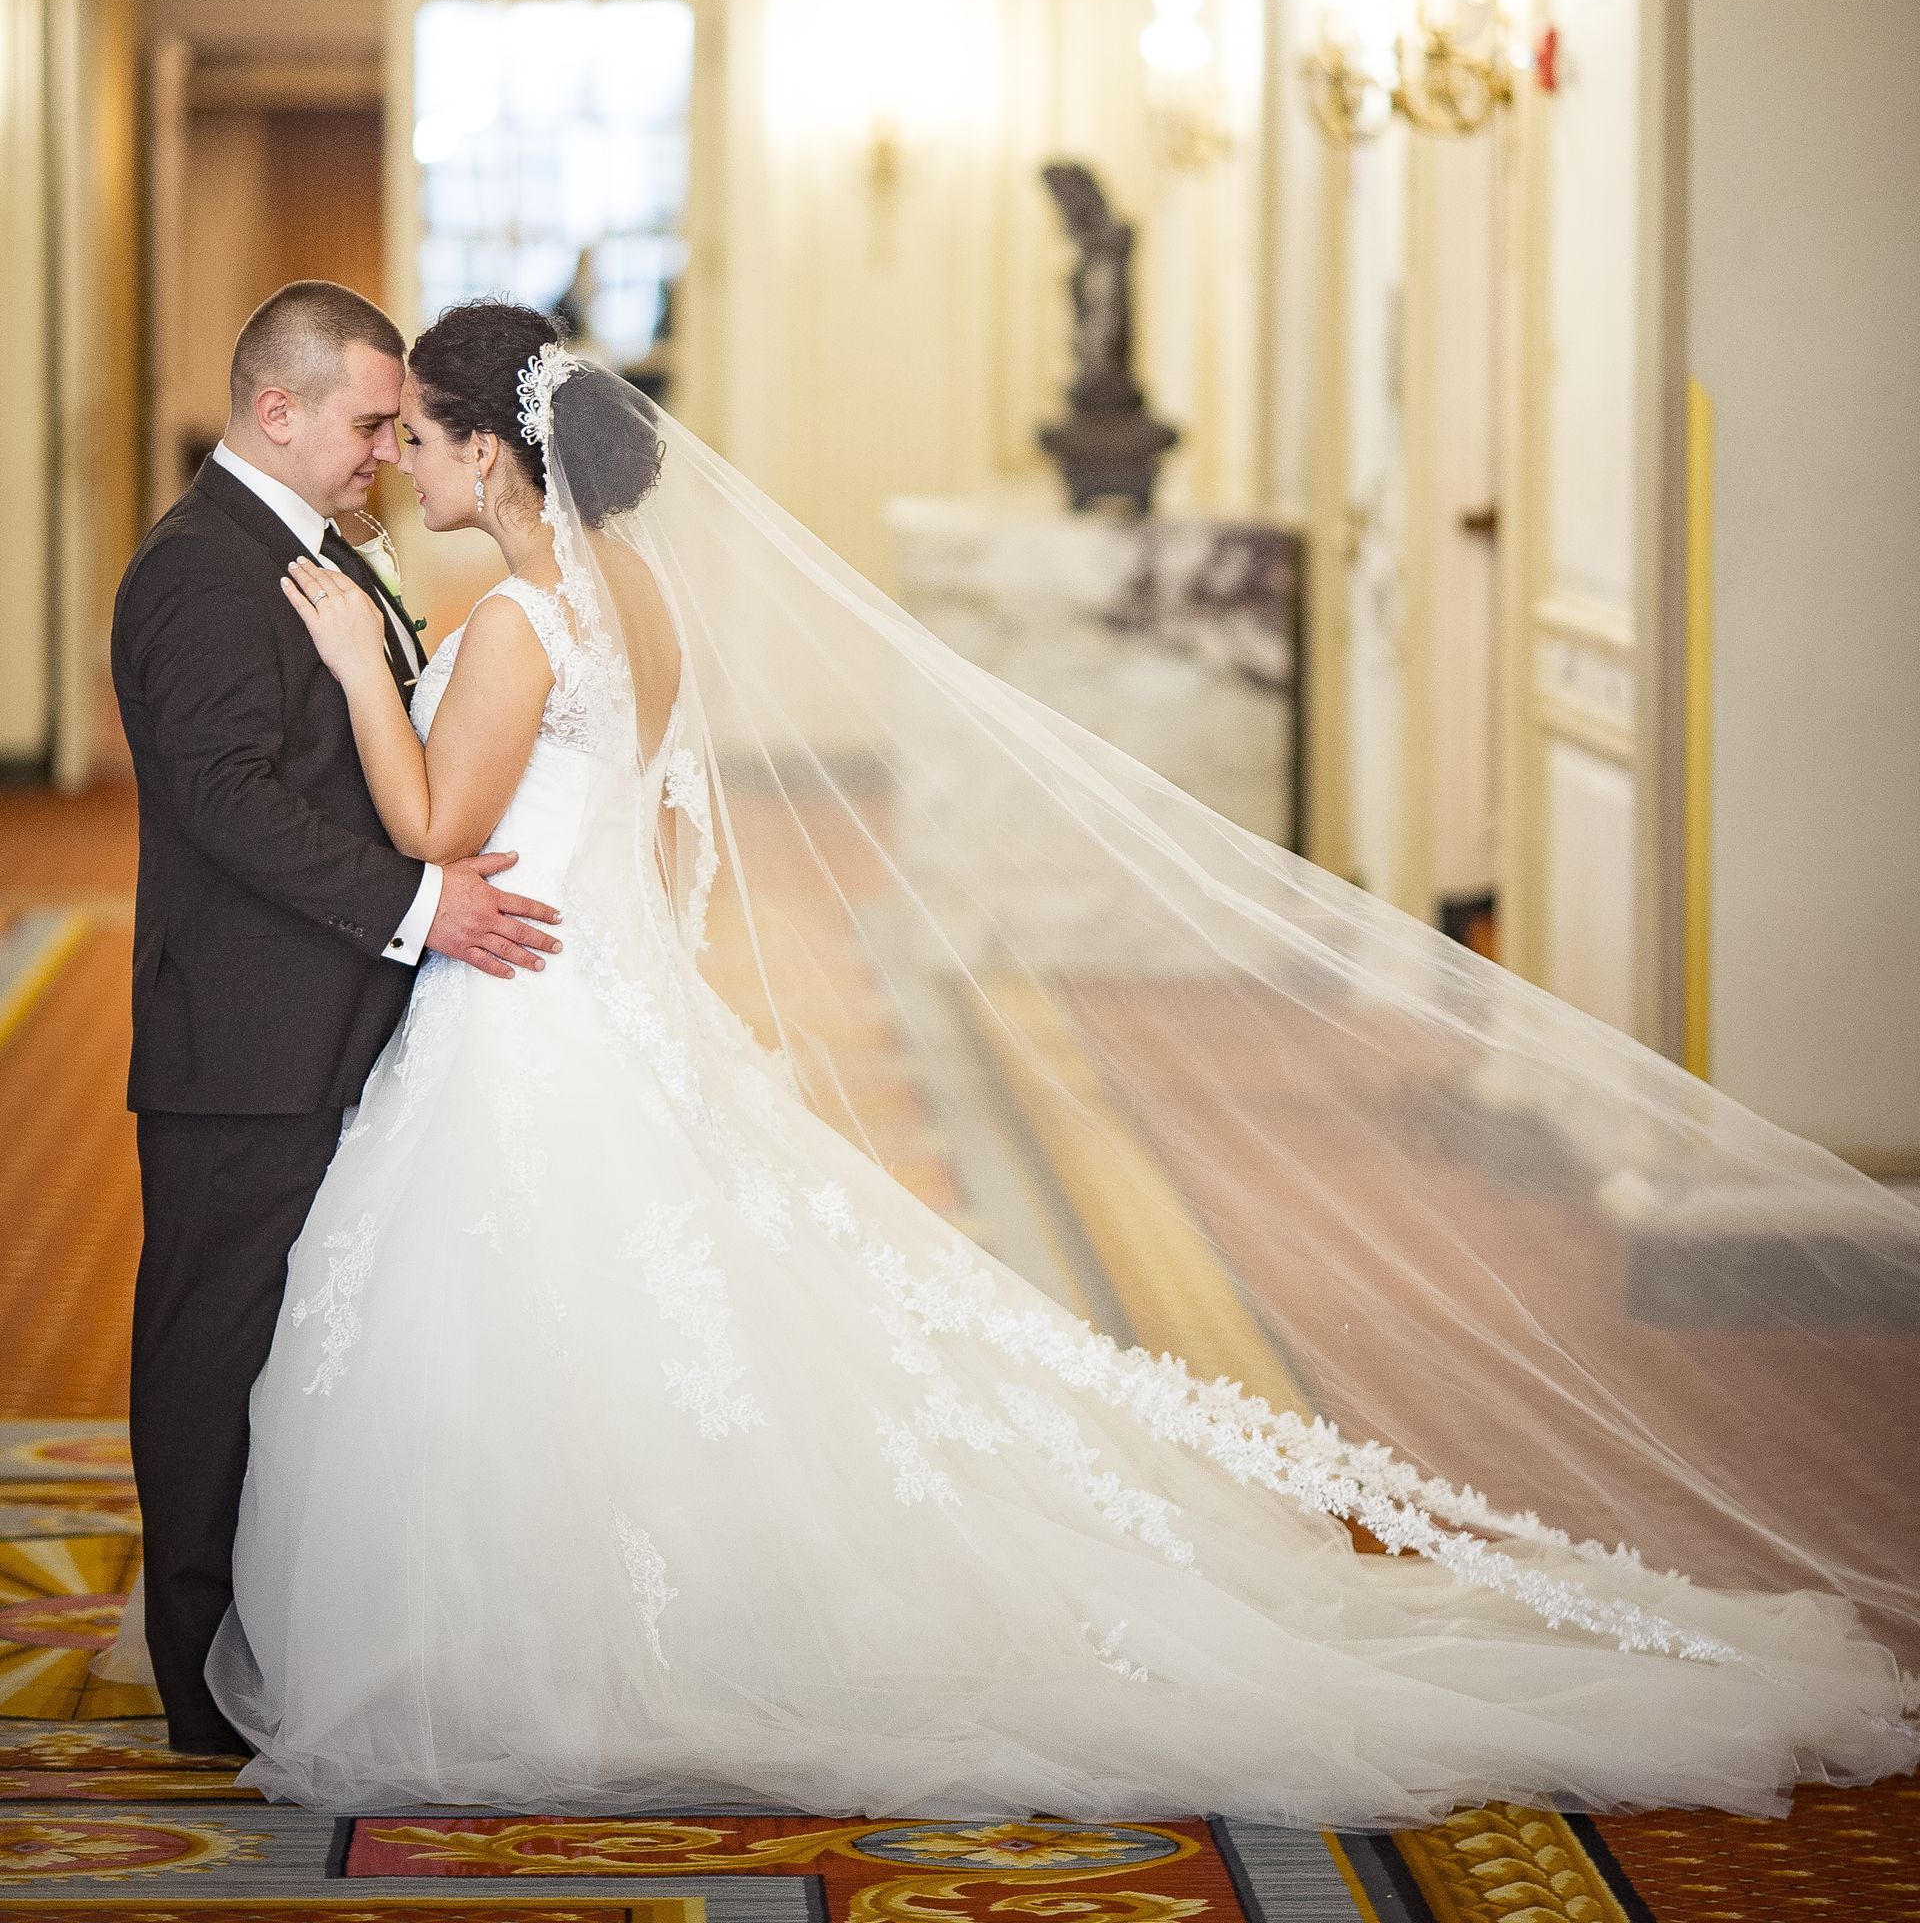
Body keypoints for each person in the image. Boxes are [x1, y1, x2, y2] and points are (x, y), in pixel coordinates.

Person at [203, 295, 1919, 1822]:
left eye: (413, 435)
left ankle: (574, 1642)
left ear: (492, 453)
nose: (393, 467)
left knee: (554, 1337)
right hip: (600, 988)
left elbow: (435, 820)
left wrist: (364, 666)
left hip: (535, 1014)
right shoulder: (633, 596)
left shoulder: (513, 625)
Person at [110, 282, 562, 1754]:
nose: (384, 451)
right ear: (277, 409)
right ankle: (200, 1688)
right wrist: (427, 910)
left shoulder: (325, 556)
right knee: (210, 1348)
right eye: (370, 422)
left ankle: (281, 1639)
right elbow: (226, 801)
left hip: (342, 1021)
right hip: (240, 1042)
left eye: (399, 428)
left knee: (307, 1352)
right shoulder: (197, 571)